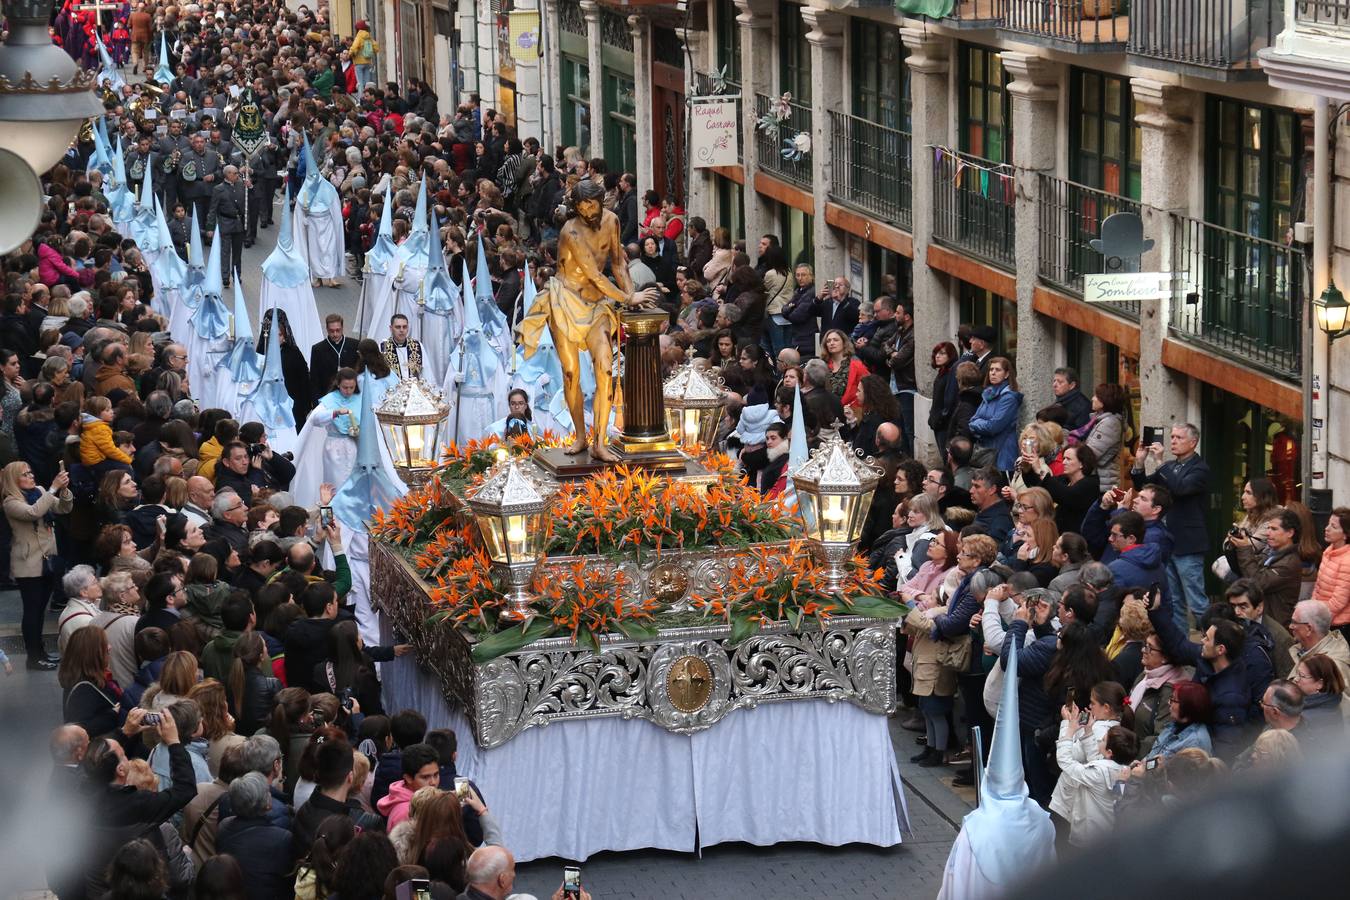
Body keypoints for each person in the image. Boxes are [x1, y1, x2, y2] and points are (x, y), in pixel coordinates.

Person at [517, 178, 657, 461]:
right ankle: (581, 436)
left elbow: (617, 262)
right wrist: (628, 298)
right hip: (566, 301)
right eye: (581, 208)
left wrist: (632, 294)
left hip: (596, 306)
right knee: (571, 373)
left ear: (601, 201)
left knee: (605, 368)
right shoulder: (571, 231)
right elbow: (593, 274)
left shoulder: (612, 221)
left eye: (591, 206)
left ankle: (600, 442)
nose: (587, 212)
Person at [1131, 422, 1211, 631]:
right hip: (1168, 542)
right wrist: (1139, 462)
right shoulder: (1170, 467)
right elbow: (1144, 488)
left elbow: (1180, 488)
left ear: (1193, 442)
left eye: (1179, 438)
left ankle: (1215, 641)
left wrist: (1159, 463)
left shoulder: (1200, 469)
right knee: (1174, 601)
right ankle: (1181, 645)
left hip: (1188, 544)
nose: (1173, 441)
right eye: (1172, 437)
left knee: (1196, 601)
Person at [4, 458, 73, 669]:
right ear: (13, 479)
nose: (31, 476)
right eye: (24, 474)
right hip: (28, 564)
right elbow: (33, 512)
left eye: (30, 472)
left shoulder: (41, 491)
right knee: (32, 611)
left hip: (48, 560)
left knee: (40, 610)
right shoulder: (10, 502)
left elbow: (63, 508)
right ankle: (33, 657)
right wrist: (53, 488)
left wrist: (64, 490)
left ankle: (41, 652)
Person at [216, 771, 297, 900]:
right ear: (266, 803)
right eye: (268, 793)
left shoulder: (224, 826)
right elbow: (287, 882)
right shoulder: (282, 838)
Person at [1232, 508, 1304, 628]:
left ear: (1290, 533)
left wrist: (1244, 549)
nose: (1268, 533)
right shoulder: (1272, 553)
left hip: (1275, 627)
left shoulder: (1288, 563)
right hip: (1264, 622)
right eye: (1268, 528)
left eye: (1274, 529)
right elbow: (1247, 571)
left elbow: (1257, 583)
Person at [967, 357, 1022, 472]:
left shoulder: (1009, 398)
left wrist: (976, 425)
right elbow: (972, 420)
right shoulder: (988, 393)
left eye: (998, 370)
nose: (993, 373)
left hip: (1002, 453)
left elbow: (993, 426)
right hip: (986, 451)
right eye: (991, 369)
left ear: (1006, 374)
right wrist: (977, 424)